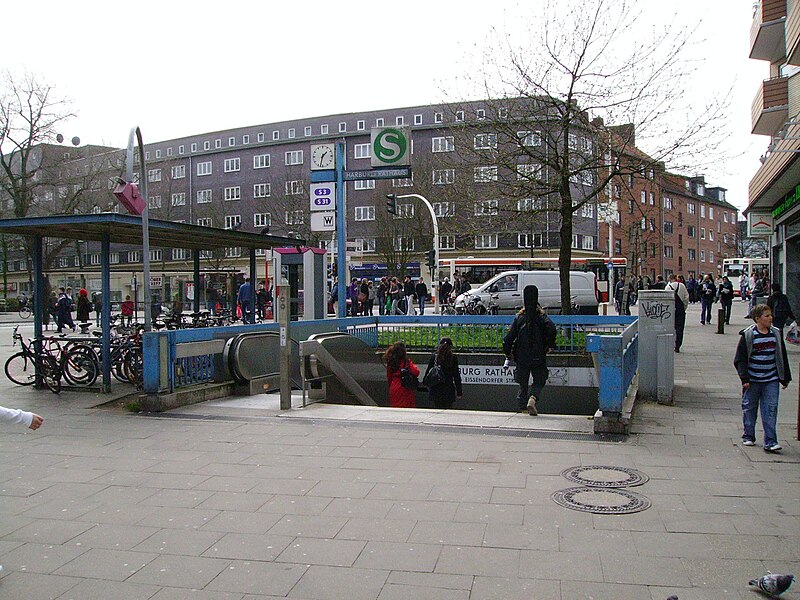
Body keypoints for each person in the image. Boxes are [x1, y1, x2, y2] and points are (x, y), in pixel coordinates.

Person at [734, 304, 791, 452]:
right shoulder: (749, 335)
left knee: (770, 409)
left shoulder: (776, 334)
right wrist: (744, 379)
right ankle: (748, 435)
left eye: (771, 315)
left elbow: (781, 356)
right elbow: (740, 359)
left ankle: (771, 441)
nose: (771, 318)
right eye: (767, 316)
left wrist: (784, 378)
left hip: (771, 379)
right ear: (758, 319)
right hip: (752, 379)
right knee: (749, 408)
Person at [502, 285, 557, 415]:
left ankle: (522, 409)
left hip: (521, 356)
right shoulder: (541, 318)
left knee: (522, 383)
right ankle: (533, 398)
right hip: (538, 355)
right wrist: (550, 344)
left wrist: (507, 353)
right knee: (539, 380)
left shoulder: (519, 319)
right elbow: (552, 328)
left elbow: (508, 338)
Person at [423, 337, 463, 409]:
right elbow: (456, 376)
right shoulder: (453, 358)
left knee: (437, 409)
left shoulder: (435, 357)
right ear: (451, 347)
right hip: (448, 389)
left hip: (436, 389)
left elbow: (428, 372)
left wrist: (425, 383)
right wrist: (459, 392)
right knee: (447, 411)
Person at [383, 341, 419, 408]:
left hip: (394, 387)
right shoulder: (406, 362)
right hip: (405, 387)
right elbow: (416, 372)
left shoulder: (391, 363)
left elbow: (389, 377)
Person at [666, 274, 689, 352]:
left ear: (669, 279)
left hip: (671, 310)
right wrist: (684, 307)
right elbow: (686, 298)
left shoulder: (668, 287)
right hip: (680, 310)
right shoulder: (682, 286)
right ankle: (678, 345)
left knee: (672, 327)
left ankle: (672, 343)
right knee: (680, 328)